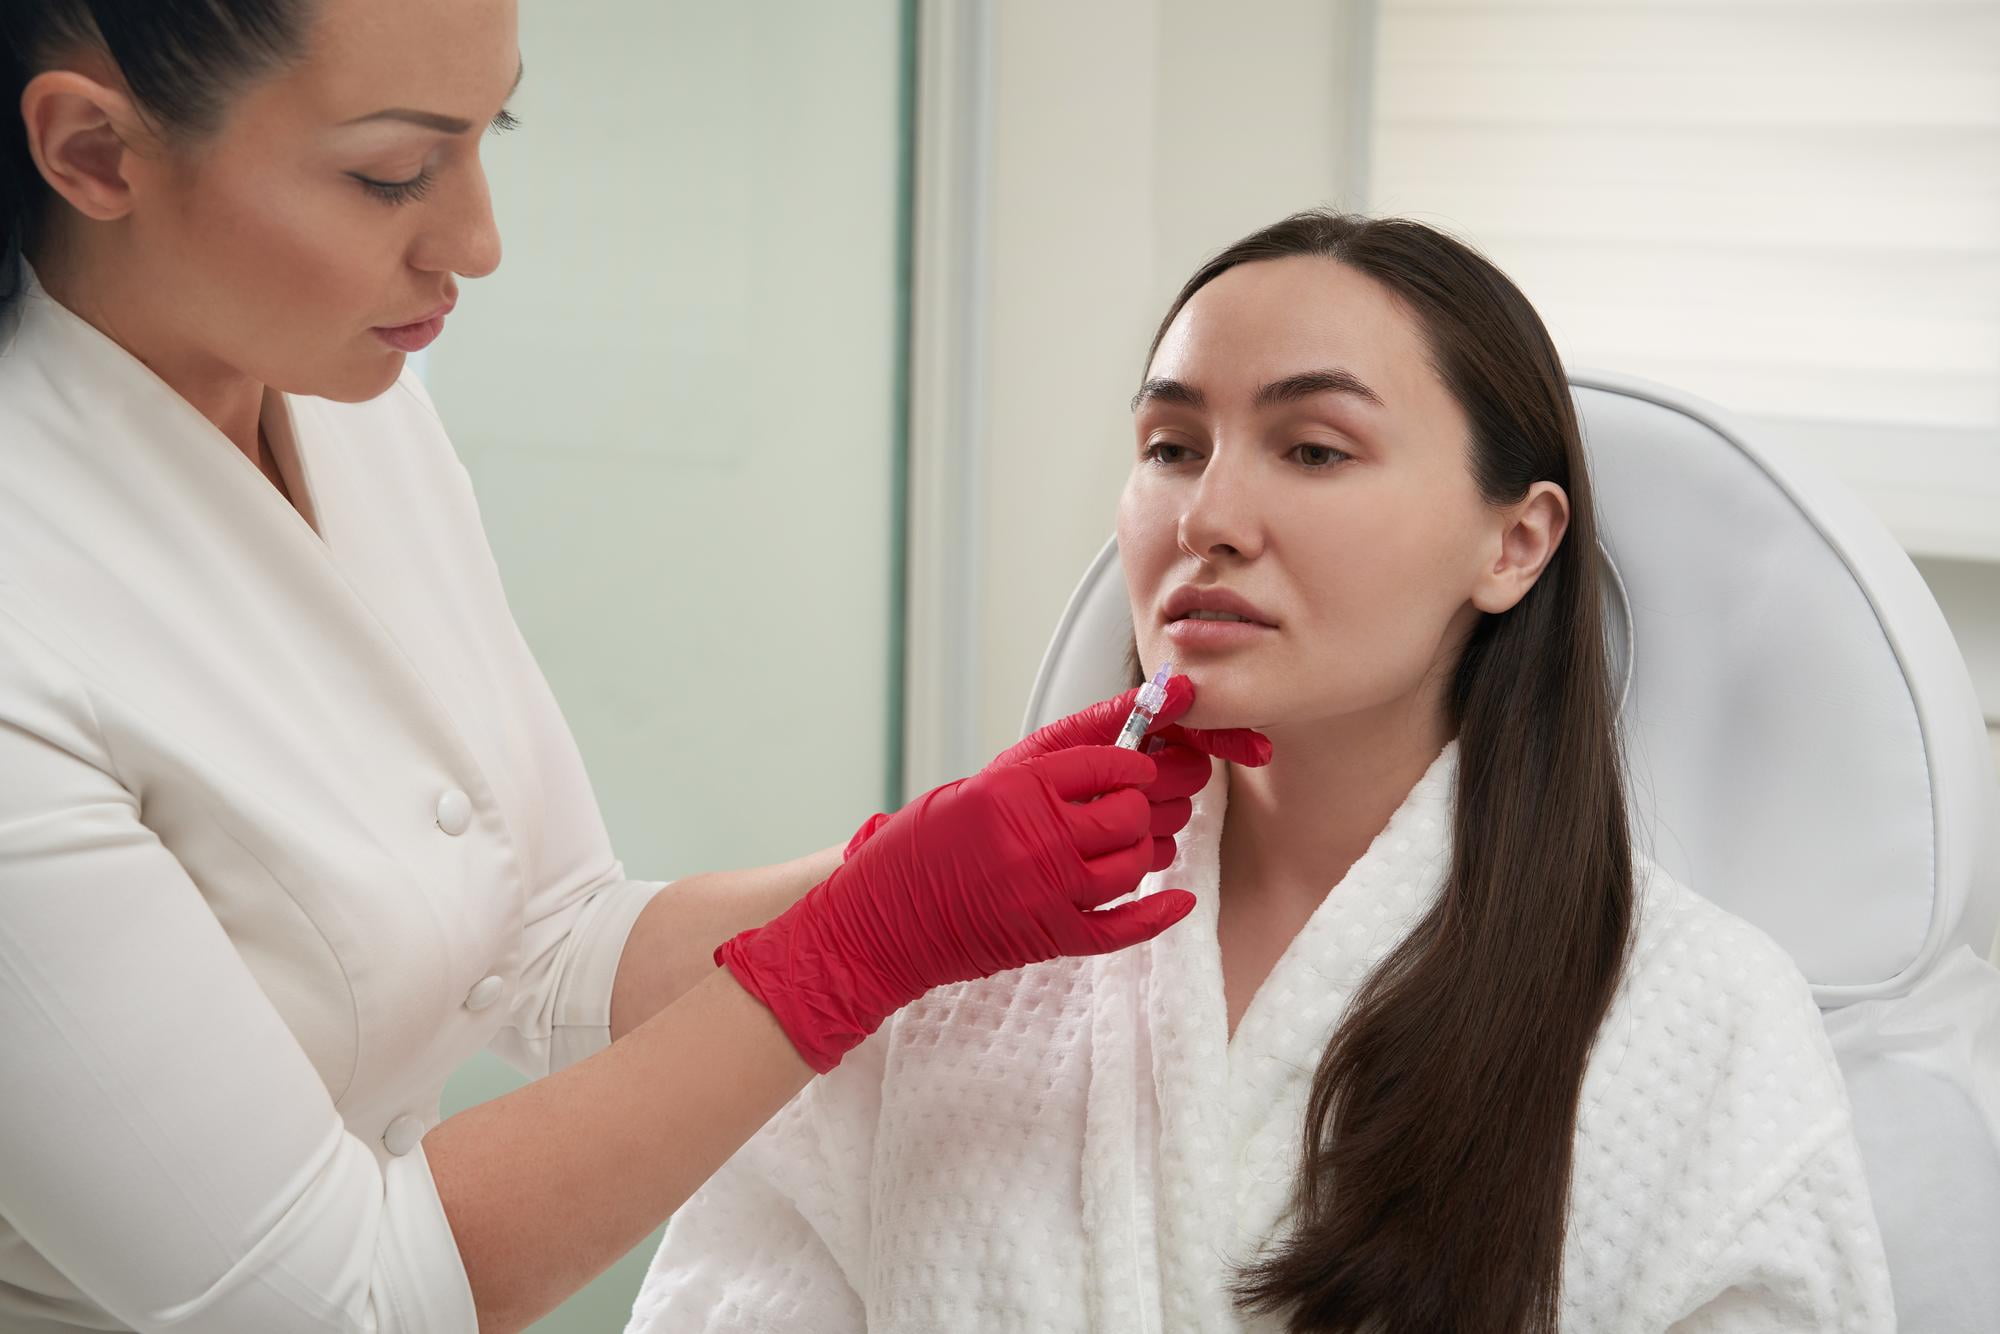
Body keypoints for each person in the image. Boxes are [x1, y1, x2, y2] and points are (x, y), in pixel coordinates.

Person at [0, 2, 1271, 1331]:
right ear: (93, 151)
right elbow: (334, 1301)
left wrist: (931, 858)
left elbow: (551, 942)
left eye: (495, 133)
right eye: (389, 174)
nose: (478, 243)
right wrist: (866, 943)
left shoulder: (350, 410)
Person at [630, 211, 1898, 1333]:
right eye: (1171, 445)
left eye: (1311, 449)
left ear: (1514, 541)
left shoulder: (1705, 1019)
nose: (1206, 516)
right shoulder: (951, 964)